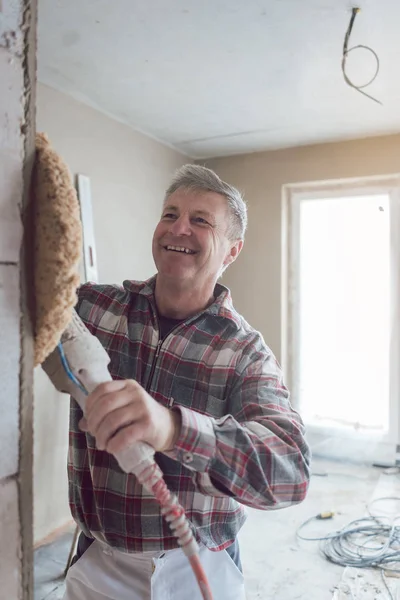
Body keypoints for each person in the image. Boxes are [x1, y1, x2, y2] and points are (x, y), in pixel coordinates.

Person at [64, 165, 311, 600]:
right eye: (170, 214)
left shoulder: (244, 352)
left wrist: (174, 429)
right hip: (97, 559)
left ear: (232, 251)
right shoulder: (92, 309)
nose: (178, 228)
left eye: (200, 220)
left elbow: (289, 471)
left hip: (197, 568)